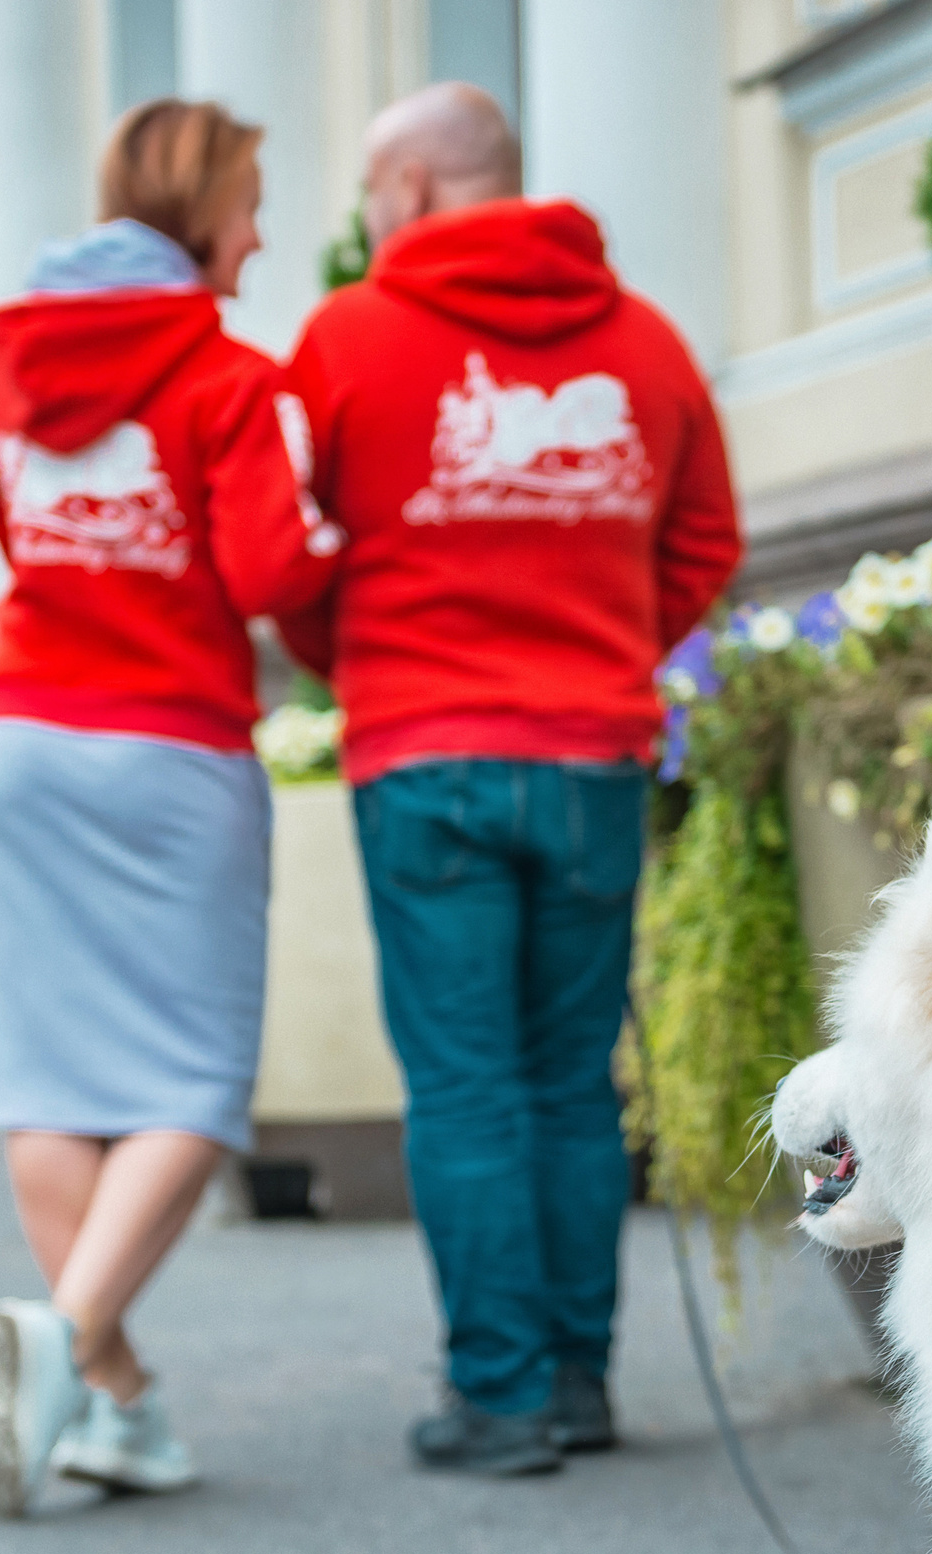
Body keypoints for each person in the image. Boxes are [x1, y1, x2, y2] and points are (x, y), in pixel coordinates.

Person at [282, 83, 743, 1475]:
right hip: (591, 757)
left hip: (423, 759)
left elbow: (291, 556)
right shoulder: (646, 338)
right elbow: (706, 537)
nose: (367, 217)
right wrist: (606, 649)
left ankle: (500, 1395)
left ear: (414, 186)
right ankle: (581, 1382)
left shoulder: (348, 337)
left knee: (467, 1083)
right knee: (565, 1079)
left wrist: (354, 661)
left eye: (373, 190)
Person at [0, 97, 338, 1519]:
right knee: (189, 1074)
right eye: (250, 199)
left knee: (45, 1075)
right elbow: (260, 575)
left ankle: (117, 1400)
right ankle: (65, 1340)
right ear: (200, 208)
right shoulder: (230, 377)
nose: (263, 230)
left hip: (20, 734)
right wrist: (322, 531)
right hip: (168, 742)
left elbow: (11, 529)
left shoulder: (8, 364)